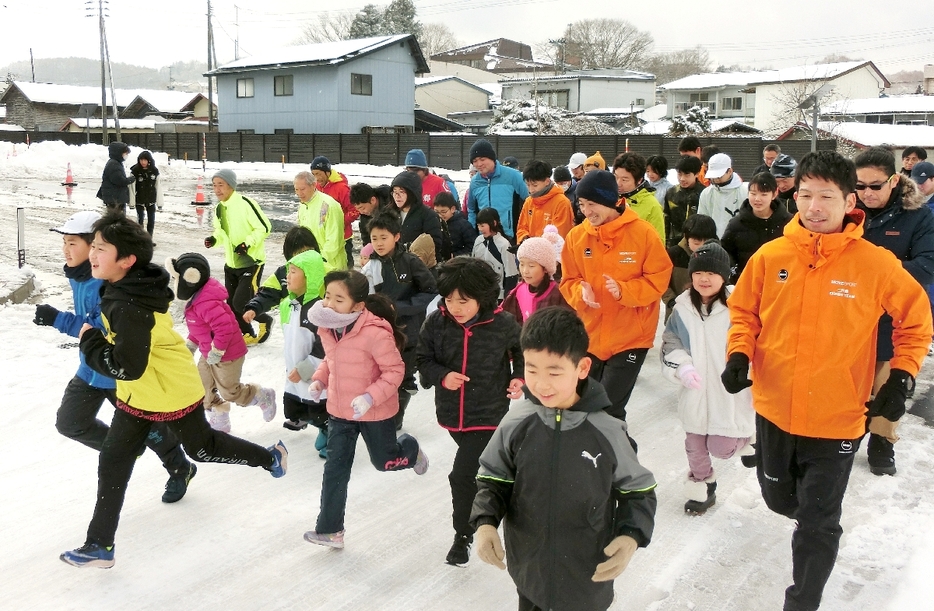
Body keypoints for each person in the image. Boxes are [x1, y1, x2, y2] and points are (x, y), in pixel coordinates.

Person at [722, 151, 932, 611]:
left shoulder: (874, 264)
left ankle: (804, 600)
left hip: (837, 416)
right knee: (778, 498)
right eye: (805, 195)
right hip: (775, 407)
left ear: (848, 199)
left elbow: (916, 323)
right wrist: (739, 351)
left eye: (826, 197)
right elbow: (744, 312)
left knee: (818, 522)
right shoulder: (770, 255)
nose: (813, 207)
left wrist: (900, 377)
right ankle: (809, 512)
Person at [63, 211, 288, 569]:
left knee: (203, 447)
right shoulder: (125, 284)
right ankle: (100, 546)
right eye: (93, 246)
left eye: (101, 248)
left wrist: (87, 339)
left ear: (126, 260)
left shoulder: (127, 303)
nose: (92, 253)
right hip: (142, 392)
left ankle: (270, 457)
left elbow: (125, 366)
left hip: (169, 388)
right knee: (113, 460)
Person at [471, 307, 657, 611]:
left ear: (582, 367)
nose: (542, 383)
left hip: (588, 575)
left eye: (554, 371)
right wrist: (485, 523)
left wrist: (631, 536)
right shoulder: (515, 424)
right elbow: (493, 478)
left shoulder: (607, 430)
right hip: (530, 573)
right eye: (531, 369)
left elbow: (638, 491)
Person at [34, 210, 194, 505]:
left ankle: (180, 467)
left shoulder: (106, 283)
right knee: (70, 422)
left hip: (116, 370)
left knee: (148, 427)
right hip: (90, 369)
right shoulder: (81, 276)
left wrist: (57, 318)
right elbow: (87, 325)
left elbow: (94, 329)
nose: (65, 250)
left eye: (73, 244)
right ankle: (125, 447)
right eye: (65, 243)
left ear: (94, 246)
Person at [303, 271, 429, 549]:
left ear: (358, 306)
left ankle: (409, 449)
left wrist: (370, 398)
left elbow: (395, 371)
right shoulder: (329, 328)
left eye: (339, 299)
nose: (330, 303)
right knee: (335, 470)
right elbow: (333, 360)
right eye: (327, 296)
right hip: (340, 411)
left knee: (383, 462)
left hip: (375, 413)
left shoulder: (374, 333)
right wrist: (320, 379)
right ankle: (330, 530)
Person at [416, 257, 524, 566]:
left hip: (489, 413)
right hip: (452, 414)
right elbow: (423, 358)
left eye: (464, 301)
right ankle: (504, 484)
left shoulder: (502, 323)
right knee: (480, 471)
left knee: (462, 475)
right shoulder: (436, 322)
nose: (455, 307)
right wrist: (442, 376)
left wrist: (519, 377)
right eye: (449, 300)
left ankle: (462, 537)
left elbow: (521, 350)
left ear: (483, 298)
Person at [559, 170, 673, 423]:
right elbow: (567, 280)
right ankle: (610, 457)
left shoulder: (642, 233)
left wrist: (625, 291)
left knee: (608, 410)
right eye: (582, 204)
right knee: (586, 407)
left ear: (611, 201)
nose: (587, 211)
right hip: (590, 336)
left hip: (631, 338)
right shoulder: (576, 237)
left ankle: (616, 459)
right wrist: (580, 290)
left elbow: (659, 279)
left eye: (592, 204)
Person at [853, 147, 934, 476]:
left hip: (894, 318)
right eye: (859, 186)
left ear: (894, 180)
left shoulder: (919, 216)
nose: (866, 193)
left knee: (887, 387)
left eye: (875, 186)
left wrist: (878, 276)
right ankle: (846, 434)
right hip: (850, 315)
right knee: (848, 384)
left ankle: (882, 442)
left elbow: (927, 265)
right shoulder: (846, 210)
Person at [661, 242, 755, 515]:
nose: (704, 278)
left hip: (728, 392)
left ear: (724, 276)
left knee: (722, 448)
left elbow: (753, 341)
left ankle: (748, 438)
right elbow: (670, 342)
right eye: (698, 272)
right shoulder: (681, 309)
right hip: (695, 390)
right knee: (694, 445)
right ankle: (701, 487)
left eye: (711, 273)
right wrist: (683, 368)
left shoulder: (739, 307)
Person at [167, 253, 278, 434]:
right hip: (208, 352)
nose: (174, 283)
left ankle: (261, 395)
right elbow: (202, 328)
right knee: (202, 388)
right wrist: (191, 345)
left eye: (176, 278)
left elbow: (224, 328)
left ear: (190, 279)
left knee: (230, 392)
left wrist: (217, 351)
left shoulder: (206, 303)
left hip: (228, 354)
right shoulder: (196, 299)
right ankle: (219, 414)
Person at [367, 211, 439, 429]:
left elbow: (430, 290)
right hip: (381, 332)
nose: (379, 243)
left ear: (396, 236)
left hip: (408, 330)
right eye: (374, 238)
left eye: (383, 237)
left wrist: (402, 308)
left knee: (401, 376)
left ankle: (396, 419)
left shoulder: (410, 262)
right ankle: (383, 414)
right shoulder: (371, 266)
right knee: (383, 374)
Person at [203, 169, 274, 344]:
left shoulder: (245, 203)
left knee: (241, 302)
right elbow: (221, 232)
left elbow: (264, 227)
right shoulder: (219, 208)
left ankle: (265, 320)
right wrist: (214, 239)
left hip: (251, 262)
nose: (217, 189)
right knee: (232, 304)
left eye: (221, 185)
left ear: (231, 186)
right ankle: (248, 332)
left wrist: (247, 244)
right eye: (214, 185)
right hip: (231, 263)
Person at [278, 249, 330, 457]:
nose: (287, 277)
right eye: (287, 272)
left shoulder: (317, 310)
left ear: (309, 276)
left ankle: (330, 435)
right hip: (295, 372)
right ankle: (320, 425)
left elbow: (324, 345)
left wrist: (306, 367)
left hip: (313, 372)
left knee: (319, 410)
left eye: (293, 272)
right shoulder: (291, 306)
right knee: (297, 407)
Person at [721, 172, 793, 283]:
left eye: (763, 194)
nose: (757, 199)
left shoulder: (789, 223)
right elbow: (725, 253)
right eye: (753, 193)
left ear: (774, 194)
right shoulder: (736, 224)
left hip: (781, 283)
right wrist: (736, 274)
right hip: (746, 284)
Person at [502, 232, 571, 324]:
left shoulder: (558, 293)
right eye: (522, 264)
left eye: (531, 266)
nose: (525, 271)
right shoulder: (519, 291)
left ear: (545, 268)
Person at [466, 138, 529, 239]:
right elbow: (472, 210)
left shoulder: (513, 176)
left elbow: (530, 202)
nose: (479, 164)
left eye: (482, 159)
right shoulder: (475, 182)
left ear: (492, 158)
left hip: (509, 236)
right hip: (484, 237)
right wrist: (472, 231)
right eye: (475, 161)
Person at [662, 213, 718, 321]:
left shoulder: (718, 255)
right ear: (687, 238)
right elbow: (662, 282)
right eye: (696, 243)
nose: (701, 246)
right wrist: (672, 301)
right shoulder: (673, 254)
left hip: (709, 316)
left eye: (705, 242)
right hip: (677, 315)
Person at [310, 156, 359, 267]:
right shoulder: (316, 187)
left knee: (345, 268)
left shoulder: (342, 188)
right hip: (324, 237)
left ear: (327, 173)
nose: (316, 178)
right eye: (313, 174)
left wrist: (338, 223)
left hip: (342, 237)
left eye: (318, 174)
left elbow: (355, 210)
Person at [294, 170, 347, 270]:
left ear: (313, 185)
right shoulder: (303, 206)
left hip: (330, 266)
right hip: (311, 263)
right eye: (296, 189)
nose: (299, 193)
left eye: (302, 189)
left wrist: (320, 260)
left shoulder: (327, 205)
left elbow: (334, 240)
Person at [516, 160, 574, 243]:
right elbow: (522, 228)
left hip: (552, 252)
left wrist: (537, 247)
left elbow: (560, 236)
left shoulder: (562, 202)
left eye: (535, 185)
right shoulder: (529, 201)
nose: (531, 190)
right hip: (529, 251)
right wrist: (524, 240)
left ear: (547, 181)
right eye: (528, 185)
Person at [613, 152, 666, 243]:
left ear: (639, 180)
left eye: (624, 180)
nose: (618, 183)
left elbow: (658, 244)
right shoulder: (608, 198)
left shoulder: (652, 206)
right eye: (616, 177)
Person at [390, 170, 443, 259]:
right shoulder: (389, 213)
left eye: (402, 192)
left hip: (418, 265)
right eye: (394, 192)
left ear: (412, 193)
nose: (397, 196)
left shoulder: (428, 215)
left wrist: (407, 248)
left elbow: (434, 244)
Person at [697, 153, 748, 238]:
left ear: (730, 171)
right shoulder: (706, 193)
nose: (715, 179)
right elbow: (702, 222)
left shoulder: (744, 192)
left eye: (719, 176)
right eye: (713, 176)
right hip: (713, 242)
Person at [473, 207, 519, 300]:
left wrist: (507, 297)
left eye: (482, 226)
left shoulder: (504, 244)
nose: (480, 229)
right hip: (480, 291)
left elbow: (511, 274)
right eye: (478, 225)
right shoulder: (478, 240)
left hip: (498, 294)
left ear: (494, 223)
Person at [663, 155, 706, 247]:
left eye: (687, 174)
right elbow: (666, 219)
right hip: (675, 243)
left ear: (697, 174)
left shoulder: (704, 193)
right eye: (679, 174)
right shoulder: (672, 193)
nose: (682, 178)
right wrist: (665, 242)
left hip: (698, 243)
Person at [433, 191, 477, 260]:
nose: (440, 215)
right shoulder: (433, 223)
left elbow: (472, 246)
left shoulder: (464, 225)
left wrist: (454, 256)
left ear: (452, 209)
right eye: (436, 212)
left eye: (443, 212)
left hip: (457, 262)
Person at [129, 151, 160, 239]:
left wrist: (159, 202)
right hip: (139, 198)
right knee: (140, 219)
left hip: (151, 198)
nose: (143, 162)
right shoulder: (135, 171)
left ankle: (149, 238)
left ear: (149, 161)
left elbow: (158, 187)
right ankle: (140, 238)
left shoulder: (154, 171)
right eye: (141, 160)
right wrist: (132, 202)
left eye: (145, 160)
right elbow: (132, 188)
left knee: (151, 220)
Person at [96, 141, 134, 212]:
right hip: (115, 198)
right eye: (125, 153)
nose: (126, 155)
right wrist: (131, 179)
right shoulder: (114, 165)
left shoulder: (115, 163)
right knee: (117, 218)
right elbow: (120, 181)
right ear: (119, 153)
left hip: (114, 197)